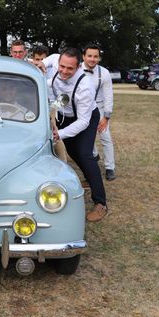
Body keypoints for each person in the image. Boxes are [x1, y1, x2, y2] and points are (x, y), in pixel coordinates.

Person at [50, 48, 108, 222]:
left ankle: (101, 203)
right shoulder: (54, 64)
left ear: (78, 67)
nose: (64, 71)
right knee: (72, 151)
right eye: (62, 66)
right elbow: (39, 63)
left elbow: (83, 121)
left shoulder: (85, 86)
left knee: (84, 153)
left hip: (86, 117)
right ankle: (89, 180)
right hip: (65, 113)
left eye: (70, 68)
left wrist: (59, 134)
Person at [82, 44, 116, 181]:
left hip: (100, 108)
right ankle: (94, 156)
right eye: (89, 56)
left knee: (105, 137)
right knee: (85, 137)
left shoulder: (104, 73)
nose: (92, 59)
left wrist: (106, 117)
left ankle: (110, 168)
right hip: (83, 109)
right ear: (84, 56)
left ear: (99, 58)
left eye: (95, 56)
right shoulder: (76, 69)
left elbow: (109, 95)